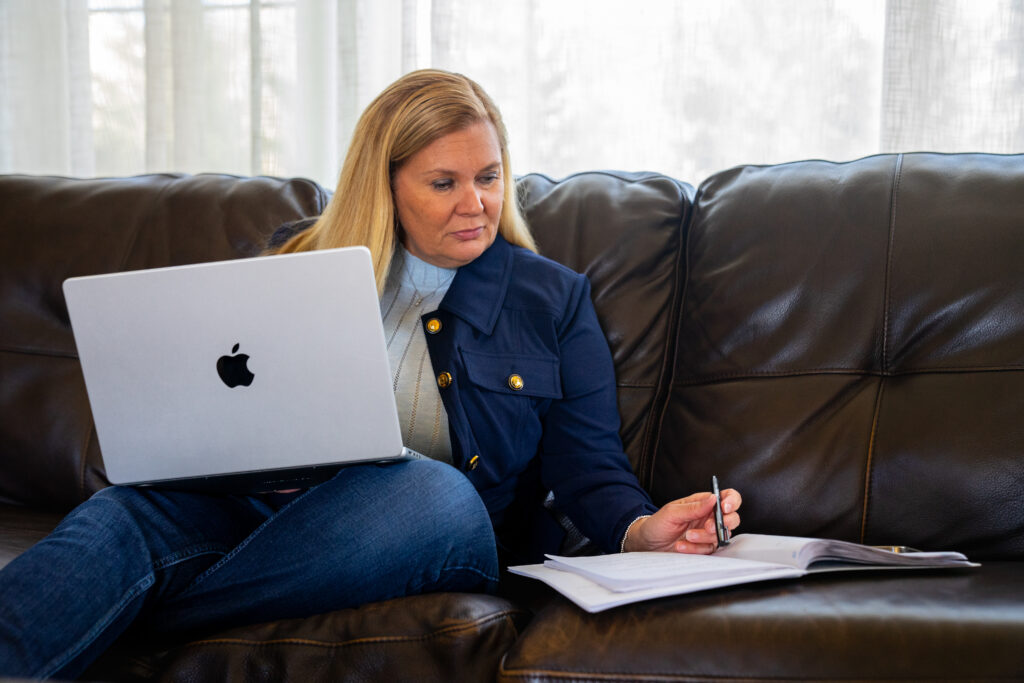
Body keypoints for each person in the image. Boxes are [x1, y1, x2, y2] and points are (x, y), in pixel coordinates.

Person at [0, 69, 740, 679]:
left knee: (427, 488)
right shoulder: (295, 263)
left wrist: (642, 529)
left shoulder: (551, 299)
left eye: (488, 176)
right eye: (443, 182)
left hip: (435, 526)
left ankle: (137, 611)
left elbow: (589, 468)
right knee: (124, 510)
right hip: (255, 512)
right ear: (385, 184)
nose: (476, 203)